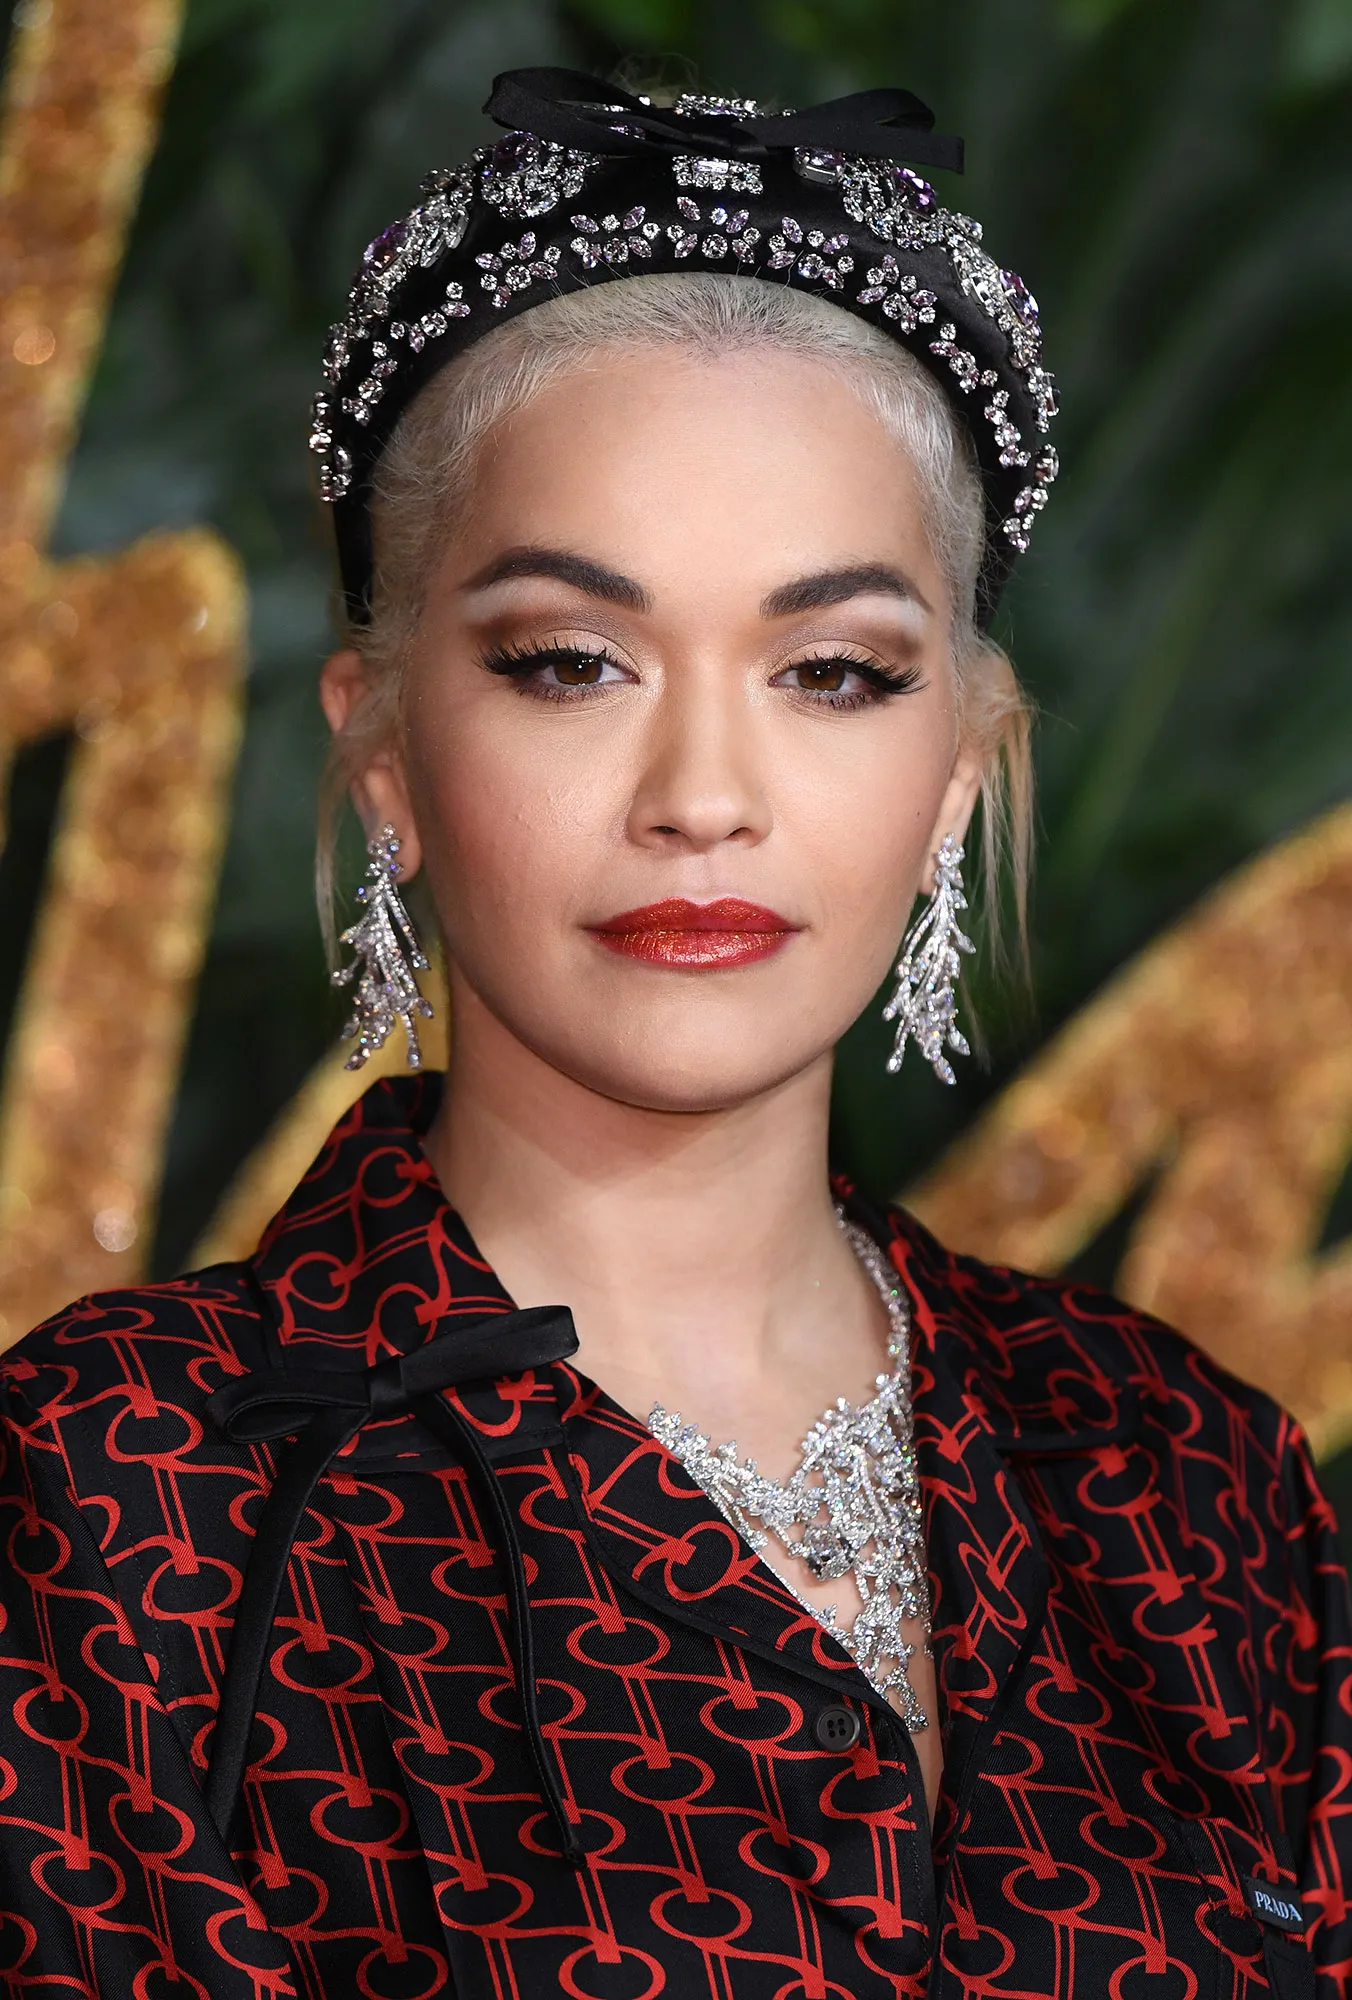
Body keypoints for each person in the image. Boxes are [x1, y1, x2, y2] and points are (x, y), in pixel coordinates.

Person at [0, 65, 1346, 2000]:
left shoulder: (1187, 1476)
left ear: (962, 771)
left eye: (834, 672)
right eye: (572, 663)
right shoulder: (117, 1496)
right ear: (383, 750)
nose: (703, 794)